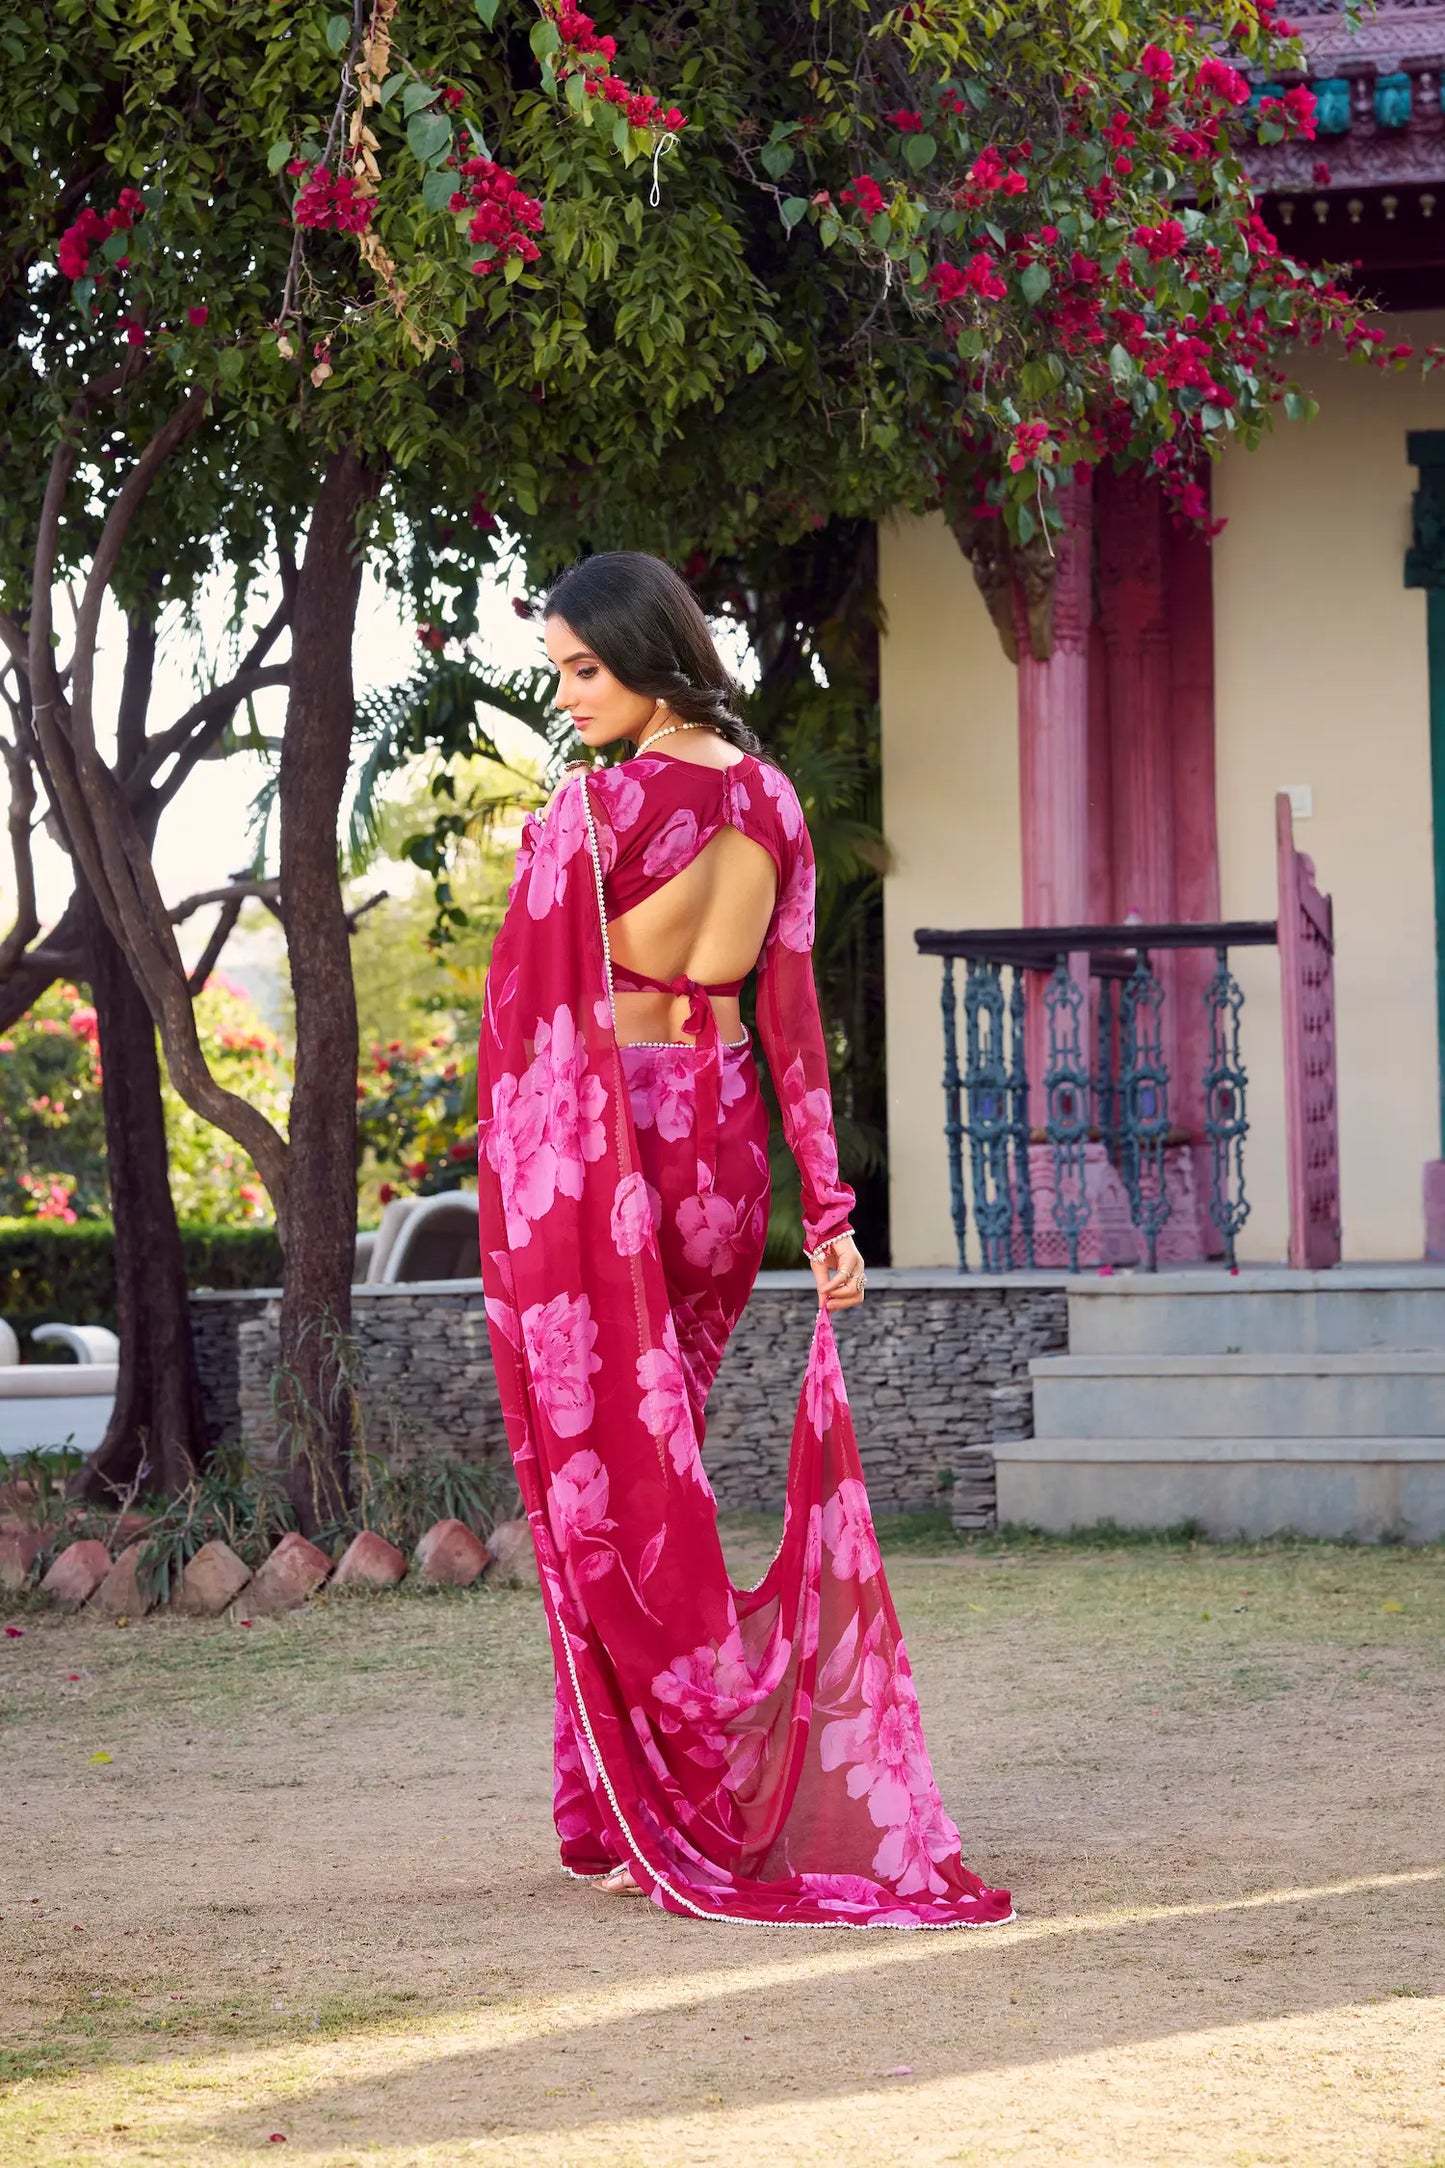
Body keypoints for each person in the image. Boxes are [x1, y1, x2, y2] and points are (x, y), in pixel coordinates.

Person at [476, 551, 1012, 1929]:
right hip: (719, 1146)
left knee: (611, 1492)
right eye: (559, 676)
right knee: (661, 1474)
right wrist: (826, 1210)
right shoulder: (771, 802)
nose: (569, 699)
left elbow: (529, 1029)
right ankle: (642, 1783)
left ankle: (666, 1793)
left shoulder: (589, 819)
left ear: (650, 657)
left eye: (584, 671)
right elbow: (789, 1022)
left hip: (607, 1161)